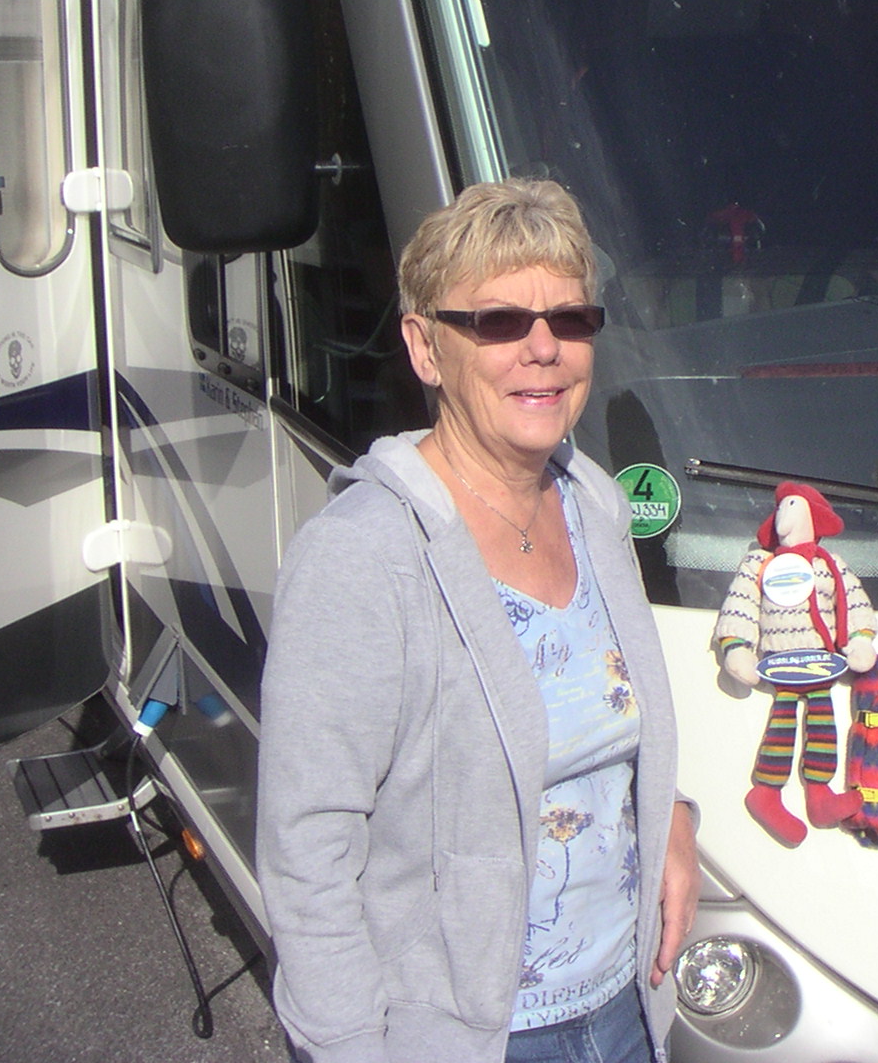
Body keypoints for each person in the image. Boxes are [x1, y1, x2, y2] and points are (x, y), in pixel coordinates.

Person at [258, 179, 699, 1063]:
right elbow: (308, 856)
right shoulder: (363, 555)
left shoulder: (594, 509)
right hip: (472, 1040)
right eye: (498, 322)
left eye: (570, 318)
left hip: (627, 1007)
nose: (543, 348)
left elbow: (608, 732)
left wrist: (672, 814)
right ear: (426, 349)